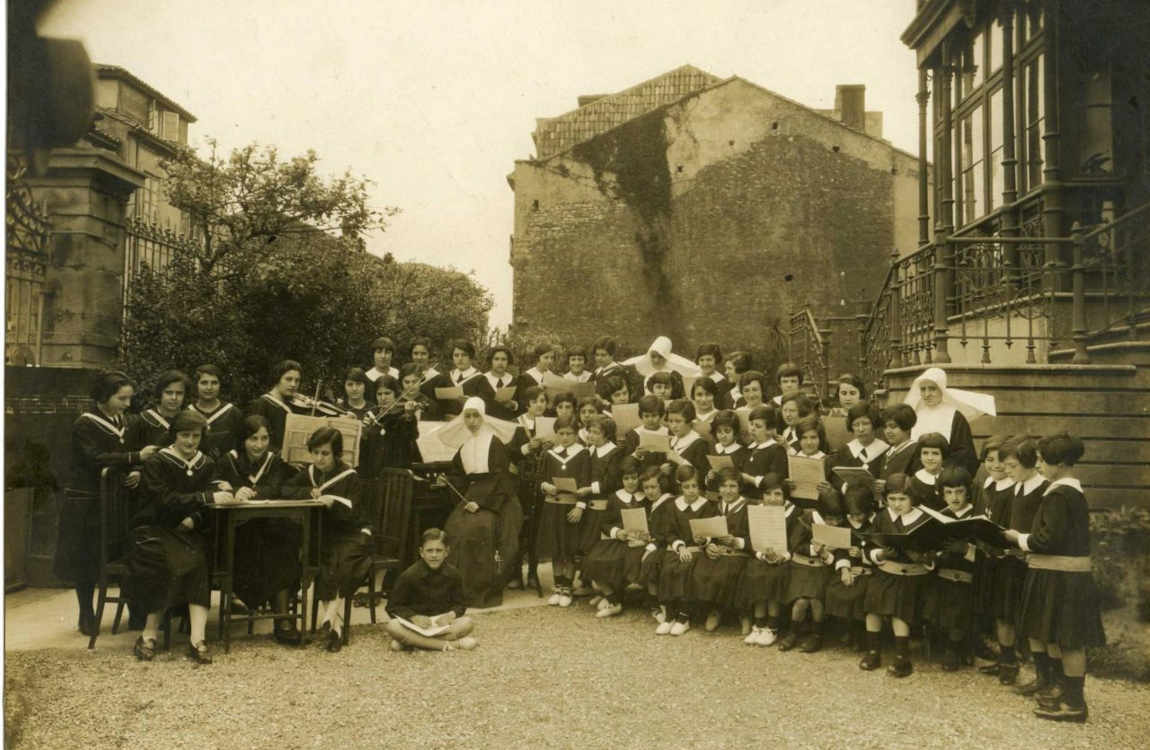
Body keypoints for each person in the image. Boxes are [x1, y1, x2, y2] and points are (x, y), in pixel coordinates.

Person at [1003, 434, 1105, 723]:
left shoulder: (1061, 494)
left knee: (1069, 639)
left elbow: (1047, 540)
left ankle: (1075, 704)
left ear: (1059, 464)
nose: (1038, 466)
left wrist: (1019, 538)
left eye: (1042, 461)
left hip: (1063, 576)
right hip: (1056, 573)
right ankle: (1063, 690)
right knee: (1055, 635)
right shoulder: (1064, 491)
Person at [125, 410, 232, 664]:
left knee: (199, 559)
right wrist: (205, 499)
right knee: (168, 560)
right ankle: (149, 634)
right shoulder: (157, 463)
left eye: (196, 436)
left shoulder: (205, 463)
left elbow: (209, 507)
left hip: (189, 530)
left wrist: (195, 517)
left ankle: (197, 639)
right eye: (185, 435)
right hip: (154, 529)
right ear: (174, 435)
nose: (190, 441)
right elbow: (162, 501)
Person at [57, 371, 158, 637]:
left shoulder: (128, 422)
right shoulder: (85, 424)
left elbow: (135, 455)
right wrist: (134, 456)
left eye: (129, 398)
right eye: (122, 398)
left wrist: (137, 468)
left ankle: (133, 609)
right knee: (88, 557)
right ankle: (86, 612)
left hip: (121, 499)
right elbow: (94, 458)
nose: (127, 404)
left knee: (128, 551)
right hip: (90, 501)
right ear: (104, 397)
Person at [282, 427, 372, 652]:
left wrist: (334, 504)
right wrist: (308, 493)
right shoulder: (310, 473)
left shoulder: (350, 477)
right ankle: (334, 628)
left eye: (325, 453)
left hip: (353, 532)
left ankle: (329, 619)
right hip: (328, 535)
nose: (319, 458)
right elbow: (285, 489)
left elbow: (356, 514)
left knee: (341, 560)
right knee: (323, 560)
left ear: (337, 454)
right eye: (315, 452)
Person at [216, 415, 303, 645]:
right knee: (264, 549)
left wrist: (243, 490)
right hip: (239, 533)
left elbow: (277, 489)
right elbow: (215, 484)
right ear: (243, 440)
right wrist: (234, 490)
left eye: (264, 438)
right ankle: (279, 616)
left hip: (269, 528)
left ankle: (283, 619)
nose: (259, 445)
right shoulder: (228, 461)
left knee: (285, 545)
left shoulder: (276, 461)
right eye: (253, 438)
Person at [439, 398, 523, 608]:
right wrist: (447, 480)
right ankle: (456, 589)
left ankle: (478, 590)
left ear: (483, 417)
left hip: (499, 499)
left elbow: (500, 478)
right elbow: (459, 474)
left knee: (476, 531)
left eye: (476, 415)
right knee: (453, 529)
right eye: (467, 416)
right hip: (472, 496)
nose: (472, 420)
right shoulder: (465, 445)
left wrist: (482, 503)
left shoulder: (494, 442)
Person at [859, 472, 934, 677]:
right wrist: (880, 554)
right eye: (892, 499)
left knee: (899, 610)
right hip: (886, 570)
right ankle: (873, 651)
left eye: (902, 499)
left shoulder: (924, 519)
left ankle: (902, 656)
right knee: (872, 607)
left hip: (913, 575)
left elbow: (935, 550)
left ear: (913, 498)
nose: (897, 504)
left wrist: (923, 557)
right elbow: (868, 547)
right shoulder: (883, 517)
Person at [995, 436, 1048, 687]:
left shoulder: (1044, 489)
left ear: (1029, 464)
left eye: (1012, 466)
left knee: (1034, 620)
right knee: (1005, 611)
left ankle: (1043, 675)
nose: (1007, 471)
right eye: (1005, 466)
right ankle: (1007, 662)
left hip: (1033, 563)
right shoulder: (1016, 486)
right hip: (1012, 560)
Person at [922, 466, 982, 671]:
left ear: (968, 491)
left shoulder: (977, 515)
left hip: (969, 576)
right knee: (937, 607)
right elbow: (931, 546)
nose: (954, 497)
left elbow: (985, 550)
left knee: (959, 610)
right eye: (948, 492)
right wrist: (931, 557)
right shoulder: (939, 517)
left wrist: (966, 549)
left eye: (959, 491)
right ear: (941, 493)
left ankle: (955, 649)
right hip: (942, 574)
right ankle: (946, 644)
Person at [385, 529, 478, 652]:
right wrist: (414, 617)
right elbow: (392, 607)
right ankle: (454, 645)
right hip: (415, 625)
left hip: (440, 626)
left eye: (439, 550)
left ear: (447, 552)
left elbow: (460, 604)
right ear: (421, 552)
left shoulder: (454, 574)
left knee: (468, 623)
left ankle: (412, 642)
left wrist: (451, 615)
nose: (434, 555)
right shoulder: (409, 575)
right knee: (393, 626)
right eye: (429, 550)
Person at [735, 473, 797, 646]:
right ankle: (759, 623)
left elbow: (795, 542)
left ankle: (772, 626)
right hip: (761, 555)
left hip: (783, 559)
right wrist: (762, 554)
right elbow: (749, 539)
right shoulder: (756, 511)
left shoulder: (793, 513)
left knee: (773, 577)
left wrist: (781, 556)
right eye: (768, 494)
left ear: (785, 496)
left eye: (778, 494)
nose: (772, 499)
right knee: (755, 573)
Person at [655, 465, 718, 636]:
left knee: (687, 570)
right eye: (686, 487)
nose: (691, 491)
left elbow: (712, 531)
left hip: (698, 550)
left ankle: (684, 617)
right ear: (680, 487)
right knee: (668, 569)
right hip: (679, 548)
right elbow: (668, 531)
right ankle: (669, 616)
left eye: (694, 486)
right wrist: (680, 546)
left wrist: (704, 539)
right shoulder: (672, 505)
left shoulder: (707, 506)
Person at [689, 467, 752, 633]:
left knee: (728, 572)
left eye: (733, 486)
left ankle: (743, 613)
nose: (728, 491)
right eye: (724, 486)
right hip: (719, 552)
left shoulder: (748, 507)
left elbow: (756, 538)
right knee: (702, 571)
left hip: (740, 553)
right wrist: (708, 544)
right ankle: (715, 610)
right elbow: (708, 532)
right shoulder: (715, 506)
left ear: (740, 488)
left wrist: (736, 541)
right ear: (718, 488)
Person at [582, 457, 647, 618]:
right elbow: (605, 523)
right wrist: (617, 532)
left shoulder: (646, 496)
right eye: (626, 478)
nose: (631, 482)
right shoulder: (614, 497)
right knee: (593, 560)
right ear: (621, 480)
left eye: (634, 478)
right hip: (620, 539)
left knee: (628, 560)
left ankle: (615, 598)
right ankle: (611, 595)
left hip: (641, 541)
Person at [779, 486, 841, 653]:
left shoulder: (840, 526)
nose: (832, 523)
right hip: (802, 566)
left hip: (823, 567)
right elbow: (795, 544)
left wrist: (826, 554)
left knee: (816, 600)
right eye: (828, 518)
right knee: (800, 601)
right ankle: (793, 632)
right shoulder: (806, 519)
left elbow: (841, 552)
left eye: (836, 519)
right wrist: (815, 549)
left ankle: (817, 634)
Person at [537, 415, 591, 606]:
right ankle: (558, 585)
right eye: (561, 433)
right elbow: (540, 478)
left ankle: (568, 587)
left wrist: (580, 506)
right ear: (556, 434)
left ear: (576, 434)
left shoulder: (583, 454)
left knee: (569, 548)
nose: (565, 437)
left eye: (569, 433)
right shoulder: (550, 454)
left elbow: (585, 482)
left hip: (571, 508)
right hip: (553, 507)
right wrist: (545, 486)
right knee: (556, 548)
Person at [506, 385, 551, 591]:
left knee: (536, 528)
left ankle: (533, 573)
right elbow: (508, 452)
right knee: (518, 527)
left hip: (540, 481)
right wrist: (527, 448)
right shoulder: (516, 423)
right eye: (535, 401)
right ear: (527, 404)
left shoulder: (550, 423)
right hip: (521, 482)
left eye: (542, 401)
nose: (539, 405)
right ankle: (516, 573)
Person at [905, 367, 990, 475]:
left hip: (947, 477)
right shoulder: (916, 415)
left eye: (932, 389)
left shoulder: (955, 416)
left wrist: (940, 471)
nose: (927, 394)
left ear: (941, 389)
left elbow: (964, 453)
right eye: (923, 389)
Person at [824, 484, 876, 651]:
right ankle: (848, 628)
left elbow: (878, 548)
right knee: (837, 590)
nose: (856, 518)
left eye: (859, 514)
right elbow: (840, 549)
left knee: (861, 594)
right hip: (848, 568)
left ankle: (861, 634)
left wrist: (862, 554)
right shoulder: (845, 525)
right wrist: (845, 569)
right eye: (852, 514)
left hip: (869, 570)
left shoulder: (874, 525)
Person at [575, 415, 624, 588]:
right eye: (590, 431)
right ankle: (593, 585)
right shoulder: (590, 451)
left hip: (605, 507)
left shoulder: (614, 452)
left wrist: (589, 489)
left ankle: (608, 590)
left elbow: (612, 481)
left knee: (601, 547)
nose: (591, 435)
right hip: (591, 507)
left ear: (607, 435)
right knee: (587, 544)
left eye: (596, 433)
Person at [248, 360, 340, 452]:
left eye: (297, 381)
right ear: (277, 379)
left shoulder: (295, 404)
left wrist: (341, 415)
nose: (293, 384)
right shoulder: (262, 404)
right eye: (288, 379)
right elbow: (257, 441)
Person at [360, 374, 420, 477]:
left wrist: (409, 416)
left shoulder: (403, 415)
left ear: (396, 394)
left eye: (387, 393)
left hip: (397, 474)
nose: (383, 398)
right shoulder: (371, 415)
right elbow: (365, 451)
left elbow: (412, 435)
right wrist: (363, 433)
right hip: (374, 473)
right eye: (379, 394)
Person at [638, 468, 675, 623]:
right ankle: (653, 602)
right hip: (654, 542)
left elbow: (665, 532)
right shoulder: (651, 504)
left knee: (651, 562)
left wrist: (650, 546)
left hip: (665, 544)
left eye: (653, 487)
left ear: (662, 486)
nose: (650, 491)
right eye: (646, 488)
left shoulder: (668, 503)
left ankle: (660, 604)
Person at [187, 364, 244, 460]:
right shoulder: (187, 413)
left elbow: (241, 446)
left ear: (220, 385)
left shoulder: (232, 413)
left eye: (214, 383)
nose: (209, 387)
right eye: (204, 383)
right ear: (196, 385)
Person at [623, 336, 700, 401]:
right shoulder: (644, 375)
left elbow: (680, 397)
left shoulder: (675, 375)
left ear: (666, 357)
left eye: (660, 357)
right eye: (653, 356)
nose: (656, 360)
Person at [741, 406, 787, 500]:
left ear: (769, 430)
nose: (752, 429)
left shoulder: (776, 450)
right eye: (751, 424)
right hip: (745, 498)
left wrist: (750, 479)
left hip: (763, 500)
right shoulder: (750, 448)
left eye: (758, 426)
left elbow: (774, 481)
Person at [661, 399, 710, 487]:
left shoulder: (700, 444)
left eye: (678, 421)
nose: (673, 426)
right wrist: (662, 470)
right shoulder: (671, 441)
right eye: (670, 421)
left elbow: (703, 478)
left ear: (689, 421)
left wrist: (680, 461)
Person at [138, 370, 191, 447]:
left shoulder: (190, 419)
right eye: (169, 392)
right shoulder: (145, 419)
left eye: (179, 393)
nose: (174, 398)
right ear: (160, 393)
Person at [704, 410, 749, 498]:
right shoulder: (713, 448)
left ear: (735, 432)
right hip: (713, 495)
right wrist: (709, 477)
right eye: (719, 431)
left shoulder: (742, 452)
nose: (723, 435)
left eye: (727, 431)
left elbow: (744, 480)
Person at [623, 395, 670, 475]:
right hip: (641, 476)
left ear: (661, 415)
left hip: (664, 476)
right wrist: (636, 454)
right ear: (641, 415)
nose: (650, 419)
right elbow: (626, 465)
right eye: (646, 416)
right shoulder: (633, 435)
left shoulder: (668, 432)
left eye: (654, 415)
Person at [473, 345, 519, 421]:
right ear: (491, 361)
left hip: (507, 424)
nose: (500, 363)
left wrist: (513, 405)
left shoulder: (514, 381)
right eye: (496, 359)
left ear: (508, 361)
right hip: (486, 424)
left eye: (503, 359)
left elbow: (521, 405)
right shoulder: (480, 379)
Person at [879, 404, 921, 481]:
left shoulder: (916, 451)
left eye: (893, 426)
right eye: (885, 427)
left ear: (907, 427)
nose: (887, 431)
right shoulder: (887, 452)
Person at [909, 432, 949, 510]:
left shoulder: (951, 478)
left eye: (935, 453)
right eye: (925, 453)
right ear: (920, 456)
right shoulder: (913, 482)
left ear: (943, 456)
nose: (930, 458)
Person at [516, 343, 555, 413]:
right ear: (538, 358)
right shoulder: (525, 377)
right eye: (546, 357)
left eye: (552, 358)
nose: (550, 361)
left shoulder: (553, 376)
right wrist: (536, 389)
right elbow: (521, 401)